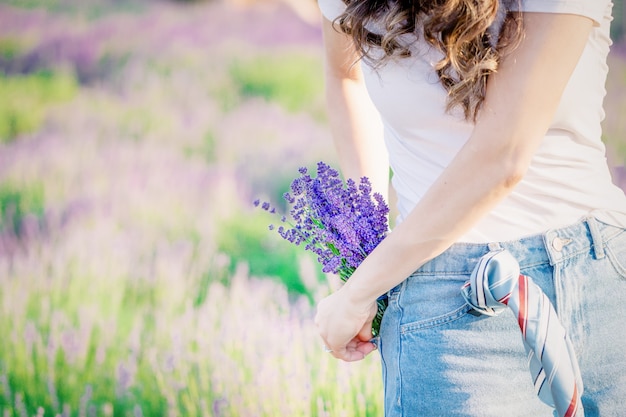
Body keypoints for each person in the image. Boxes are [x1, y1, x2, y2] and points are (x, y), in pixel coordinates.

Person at [313, 0, 626, 416]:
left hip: (602, 278)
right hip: (448, 299)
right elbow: (345, 76)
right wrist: (366, 239)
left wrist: (357, 292)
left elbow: (503, 155)